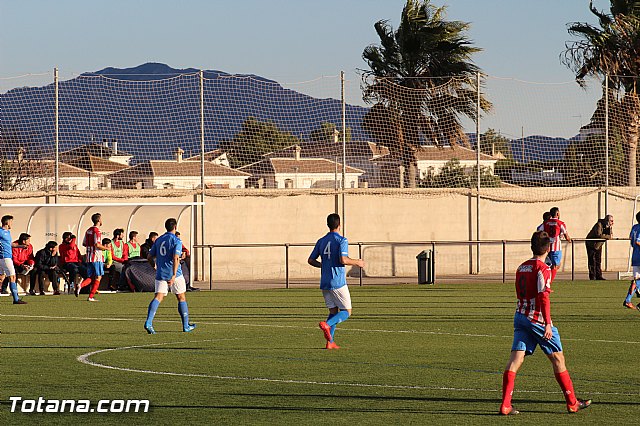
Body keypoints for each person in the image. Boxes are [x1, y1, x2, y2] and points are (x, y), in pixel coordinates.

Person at [499, 231, 591, 415]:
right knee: (558, 358)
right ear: (548, 248)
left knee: (516, 359)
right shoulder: (542, 268)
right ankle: (572, 402)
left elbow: (523, 291)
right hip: (537, 319)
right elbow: (543, 297)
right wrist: (547, 323)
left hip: (520, 316)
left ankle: (506, 405)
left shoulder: (521, 267)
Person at [308, 213, 364, 350]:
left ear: (328, 225)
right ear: (339, 225)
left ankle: (330, 342)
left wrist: (323, 265)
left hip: (325, 283)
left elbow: (310, 260)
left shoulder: (321, 241)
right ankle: (327, 325)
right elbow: (343, 260)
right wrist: (358, 262)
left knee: (333, 311)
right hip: (337, 282)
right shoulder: (341, 240)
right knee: (347, 311)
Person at [143, 218, 196, 334]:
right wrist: (173, 275)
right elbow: (176, 257)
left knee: (158, 297)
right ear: (175, 227)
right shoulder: (176, 240)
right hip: (175, 274)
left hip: (161, 273)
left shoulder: (159, 240)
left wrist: (154, 266)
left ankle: (149, 322)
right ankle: (186, 325)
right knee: (181, 297)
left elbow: (149, 257)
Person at [75, 213, 108, 302]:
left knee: (92, 277)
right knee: (98, 277)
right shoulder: (97, 231)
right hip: (96, 257)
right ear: (98, 220)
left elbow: (84, 243)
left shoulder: (88, 230)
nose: (102, 220)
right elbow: (97, 244)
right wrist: (106, 248)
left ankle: (80, 286)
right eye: (101, 219)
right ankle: (90, 296)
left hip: (89, 257)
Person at [0, 215, 27, 304]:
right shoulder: (0, 231)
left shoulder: (7, 232)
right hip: (5, 257)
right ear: (7, 222)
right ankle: (16, 299)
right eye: (11, 222)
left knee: (1, 277)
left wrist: (21, 246)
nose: (12, 224)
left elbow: (10, 244)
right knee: (12, 276)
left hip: (6, 257)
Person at [543, 207, 571, 283]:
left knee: (548, 266)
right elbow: (566, 235)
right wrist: (569, 240)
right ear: (557, 213)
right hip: (556, 248)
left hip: (547, 247)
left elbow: (540, 231)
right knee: (556, 266)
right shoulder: (560, 223)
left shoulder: (546, 223)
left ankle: (545, 279)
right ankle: (549, 283)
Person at [585, 215, 613, 281]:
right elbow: (599, 234)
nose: (612, 222)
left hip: (599, 244)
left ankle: (598, 275)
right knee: (592, 260)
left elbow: (611, 235)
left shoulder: (608, 227)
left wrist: (609, 231)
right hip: (591, 243)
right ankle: (592, 276)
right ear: (607, 221)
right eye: (611, 221)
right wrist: (608, 236)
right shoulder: (599, 225)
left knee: (598, 260)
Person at [623, 212, 640, 310]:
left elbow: (632, 240)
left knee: (637, 279)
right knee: (637, 280)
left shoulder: (634, 227)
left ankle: (628, 300)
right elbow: (638, 241)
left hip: (635, 256)